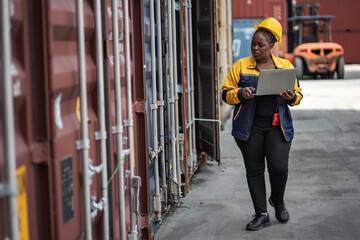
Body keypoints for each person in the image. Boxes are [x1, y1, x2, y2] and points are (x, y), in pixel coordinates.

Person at [222, 17, 303, 231]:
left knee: (279, 168)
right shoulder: (241, 66)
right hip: (249, 128)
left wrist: (290, 97)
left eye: (261, 45)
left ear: (272, 46)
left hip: (277, 127)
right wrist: (240, 93)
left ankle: (277, 200)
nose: (255, 48)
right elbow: (225, 94)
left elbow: (298, 97)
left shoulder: (284, 66)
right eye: (253, 44)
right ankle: (261, 213)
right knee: (254, 170)